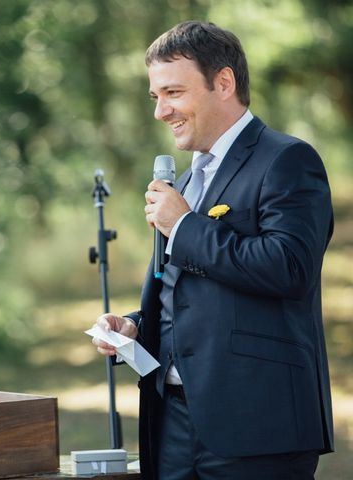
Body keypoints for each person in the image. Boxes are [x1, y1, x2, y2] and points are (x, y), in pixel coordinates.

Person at [92, 21, 334, 480]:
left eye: (173, 93)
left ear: (223, 83)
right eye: (155, 97)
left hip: (258, 424)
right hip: (174, 423)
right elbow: (186, 292)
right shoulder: (184, 182)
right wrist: (136, 327)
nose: (161, 111)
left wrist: (183, 225)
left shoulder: (286, 160)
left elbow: (290, 267)